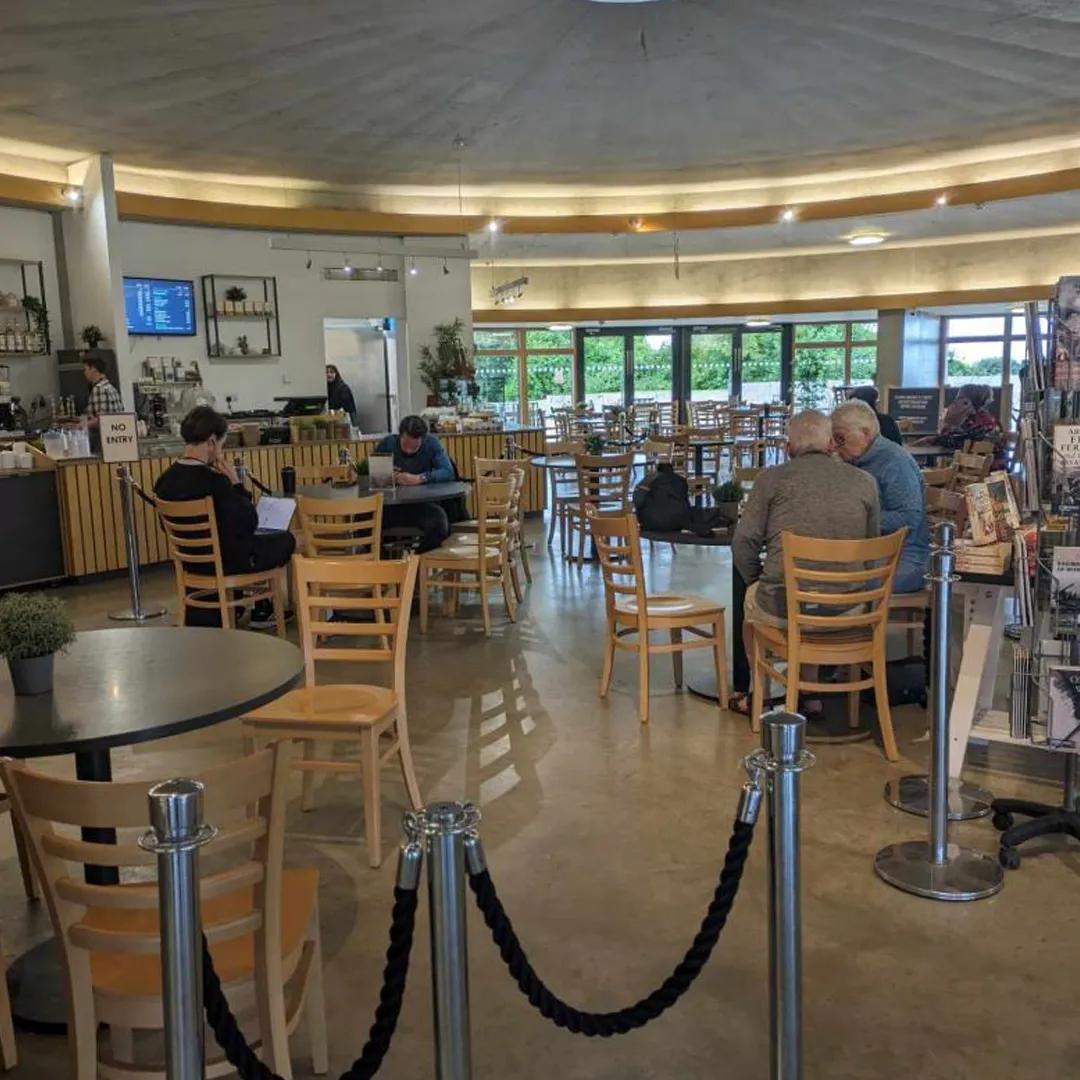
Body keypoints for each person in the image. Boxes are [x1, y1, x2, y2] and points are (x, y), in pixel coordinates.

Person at [730, 409, 880, 716]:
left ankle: (755, 692)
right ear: (830, 445)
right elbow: (871, 544)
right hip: (848, 608)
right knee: (815, 589)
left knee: (755, 600)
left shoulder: (771, 480)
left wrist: (756, 579)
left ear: (787, 447)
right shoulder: (865, 482)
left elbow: (743, 542)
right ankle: (809, 692)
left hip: (786, 605)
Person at [154, 406, 295, 628]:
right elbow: (249, 522)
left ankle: (242, 606)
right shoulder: (215, 482)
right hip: (226, 562)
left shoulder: (164, 481)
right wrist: (236, 484)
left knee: (248, 542)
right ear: (211, 442)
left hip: (191, 561)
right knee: (285, 540)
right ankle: (264, 607)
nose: (220, 451)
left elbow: (166, 527)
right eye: (221, 445)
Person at [830, 399, 929, 593]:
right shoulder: (854, 460)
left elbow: (910, 518)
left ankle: (854, 622)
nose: (834, 445)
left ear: (865, 434)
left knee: (836, 583)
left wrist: (859, 518)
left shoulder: (895, 462)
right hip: (870, 552)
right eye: (832, 439)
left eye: (840, 438)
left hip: (904, 558)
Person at [374, 415, 454, 552]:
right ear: (400, 436)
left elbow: (447, 471)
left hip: (422, 506)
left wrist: (420, 478)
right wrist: (390, 477)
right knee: (362, 520)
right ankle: (384, 565)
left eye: (415, 446)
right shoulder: (387, 444)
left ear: (423, 439)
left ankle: (415, 566)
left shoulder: (432, 444)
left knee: (440, 524)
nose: (409, 450)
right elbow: (374, 476)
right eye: (405, 445)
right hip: (392, 507)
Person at [936, 383, 1005, 465]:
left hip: (983, 471)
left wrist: (945, 428)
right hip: (981, 468)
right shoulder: (982, 417)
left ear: (968, 402)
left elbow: (958, 442)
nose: (956, 403)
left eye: (959, 399)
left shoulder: (979, 421)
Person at [81, 355, 123, 431]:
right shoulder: (111, 388)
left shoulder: (99, 389)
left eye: (85, 369)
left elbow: (101, 419)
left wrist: (81, 425)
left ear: (93, 369)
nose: (84, 373)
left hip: (103, 436)